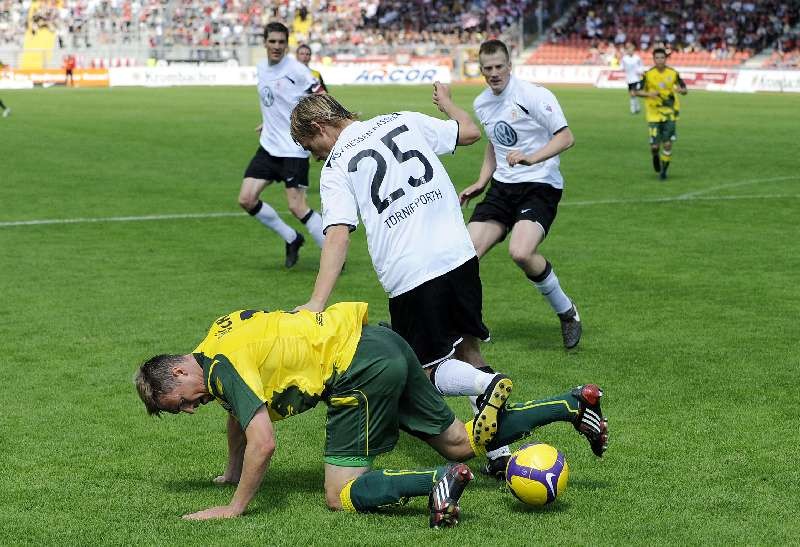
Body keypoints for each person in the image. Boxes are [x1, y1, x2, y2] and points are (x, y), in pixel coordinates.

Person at [133, 303, 609, 525]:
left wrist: (234, 506)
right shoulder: (213, 343)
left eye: (184, 402)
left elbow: (264, 440)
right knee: (462, 440)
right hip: (383, 342)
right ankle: (570, 404)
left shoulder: (222, 368)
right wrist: (229, 471)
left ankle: (437, 482)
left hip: (356, 372)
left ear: (178, 373)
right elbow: (239, 412)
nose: (192, 409)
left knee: (340, 494)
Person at [290, 90, 520, 477]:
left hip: (412, 271)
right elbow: (468, 134)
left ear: (318, 127)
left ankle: (487, 383)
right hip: (459, 254)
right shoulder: (403, 120)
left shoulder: (337, 165)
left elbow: (338, 235)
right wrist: (446, 103)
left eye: (309, 146)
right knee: (466, 346)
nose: (315, 157)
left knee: (425, 372)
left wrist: (316, 302)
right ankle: (501, 455)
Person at [459, 39, 581, 350]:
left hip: (540, 185)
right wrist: (481, 181)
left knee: (521, 252)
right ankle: (463, 324)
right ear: (481, 70)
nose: (494, 73)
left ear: (510, 65)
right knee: (463, 254)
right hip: (503, 187)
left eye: (499, 66)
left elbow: (566, 137)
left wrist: (533, 157)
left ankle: (567, 312)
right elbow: (493, 144)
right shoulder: (482, 103)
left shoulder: (533, 95)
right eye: (488, 68)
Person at [239, 22, 325, 268]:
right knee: (246, 199)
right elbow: (274, 102)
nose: (276, 46)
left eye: (281, 42)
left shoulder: (297, 70)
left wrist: (319, 133)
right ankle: (292, 238)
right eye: (272, 41)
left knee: (297, 207)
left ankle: (333, 253)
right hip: (269, 146)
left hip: (293, 149)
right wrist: (267, 122)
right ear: (265, 42)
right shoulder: (261, 68)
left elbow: (322, 98)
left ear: (287, 44)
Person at [635, 48, 688, 180]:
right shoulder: (648, 75)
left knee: (668, 144)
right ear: (654, 60)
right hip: (653, 114)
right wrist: (649, 94)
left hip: (670, 113)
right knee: (654, 146)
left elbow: (684, 88)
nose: (660, 60)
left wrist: (682, 91)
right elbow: (637, 92)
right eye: (657, 58)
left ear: (666, 59)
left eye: (662, 58)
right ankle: (655, 155)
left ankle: (663, 171)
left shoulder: (673, 73)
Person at [620, 43, 644, 114]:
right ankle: (638, 107)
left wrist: (640, 71)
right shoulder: (624, 58)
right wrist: (622, 68)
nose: (630, 51)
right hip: (629, 78)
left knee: (633, 93)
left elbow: (641, 66)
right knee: (632, 94)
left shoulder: (637, 58)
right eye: (628, 50)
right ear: (627, 51)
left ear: (633, 50)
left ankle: (633, 109)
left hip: (636, 78)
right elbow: (622, 67)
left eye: (631, 50)